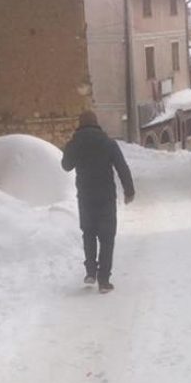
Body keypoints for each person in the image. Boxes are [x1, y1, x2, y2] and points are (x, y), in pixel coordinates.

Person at [61, 111, 135, 294]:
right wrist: (129, 191)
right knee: (107, 238)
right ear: (96, 124)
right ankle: (104, 281)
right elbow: (122, 167)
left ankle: (90, 272)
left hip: (86, 198)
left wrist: (70, 145)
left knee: (89, 234)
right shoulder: (108, 143)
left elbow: (66, 165)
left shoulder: (76, 144)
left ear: (80, 125)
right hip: (106, 198)